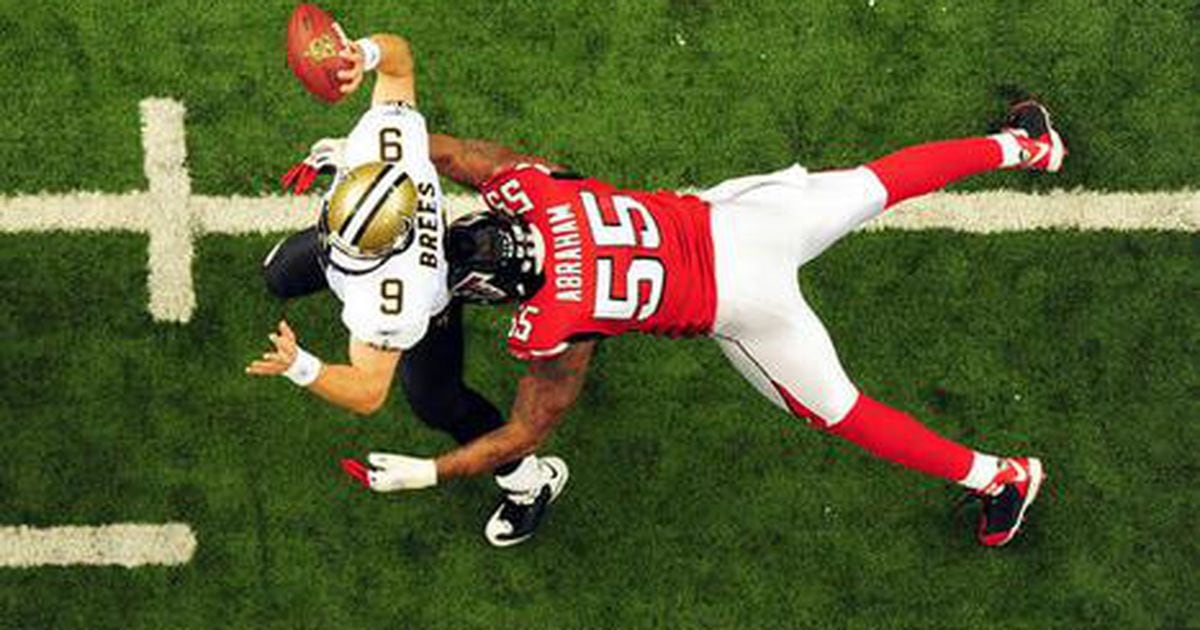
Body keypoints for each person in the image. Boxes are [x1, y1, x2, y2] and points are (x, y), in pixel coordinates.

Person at [342, 100, 1066, 547]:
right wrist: (371, 161)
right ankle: (1028, 145)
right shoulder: (535, 189)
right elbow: (451, 154)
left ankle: (1002, 477)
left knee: (839, 410)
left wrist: (433, 469)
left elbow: (526, 433)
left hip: (746, 307)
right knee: (878, 182)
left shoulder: (554, 326)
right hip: (745, 220)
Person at [246, 27, 567, 547]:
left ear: (381, 249)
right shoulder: (388, 146)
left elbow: (368, 392)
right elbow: (399, 62)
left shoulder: (393, 301)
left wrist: (300, 366)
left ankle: (528, 483)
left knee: (436, 401)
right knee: (280, 272)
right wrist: (363, 54)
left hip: (429, 298)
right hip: (368, 247)